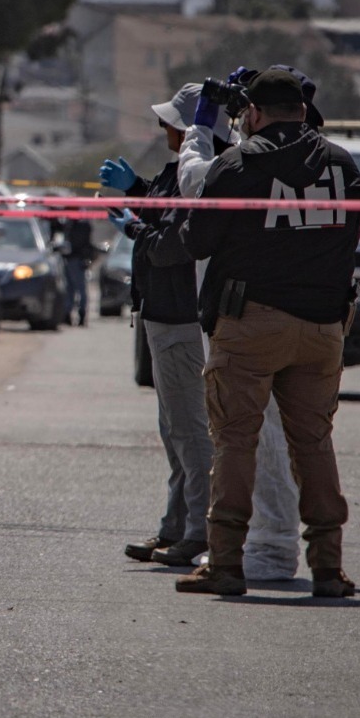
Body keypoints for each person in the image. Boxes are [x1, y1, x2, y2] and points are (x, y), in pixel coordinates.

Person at [165, 68, 360, 597]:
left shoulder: (238, 164)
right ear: (302, 109)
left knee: (234, 441)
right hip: (323, 327)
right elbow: (350, 243)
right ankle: (328, 567)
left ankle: (226, 563)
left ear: (251, 114)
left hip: (251, 324)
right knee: (315, 445)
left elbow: (198, 240)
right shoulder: (343, 166)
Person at [99, 84, 213, 567]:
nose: (162, 128)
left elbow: (173, 243)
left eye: (171, 123)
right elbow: (164, 212)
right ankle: (175, 526)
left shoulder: (204, 176)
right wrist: (138, 194)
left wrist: (134, 226)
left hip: (183, 318)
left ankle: (198, 532)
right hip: (162, 317)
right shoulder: (178, 174)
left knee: (190, 432)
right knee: (174, 431)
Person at [51, 217, 97, 326]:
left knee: (79, 288)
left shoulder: (81, 225)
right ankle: (68, 314)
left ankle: (81, 313)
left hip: (77, 259)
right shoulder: (67, 223)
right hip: (68, 259)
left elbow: (82, 242)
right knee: (69, 288)